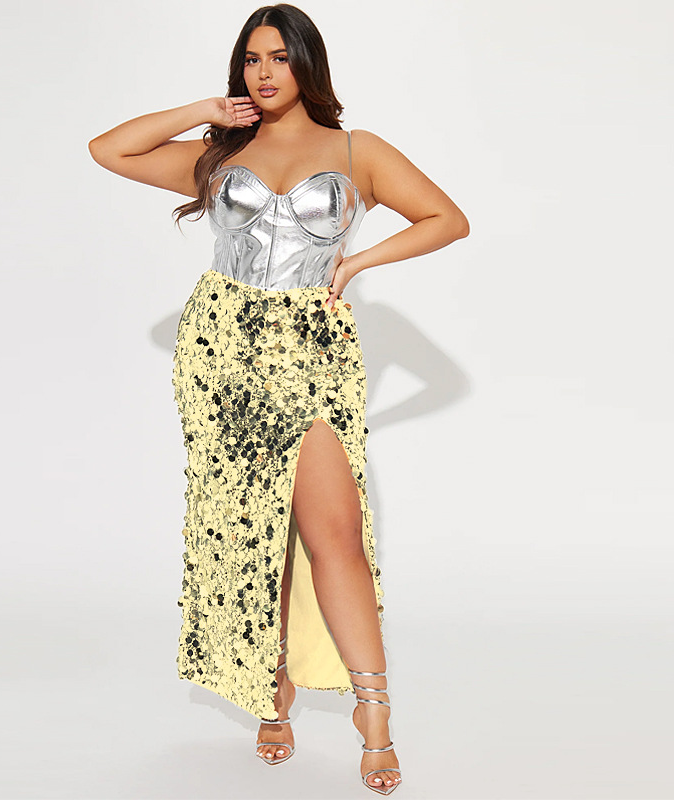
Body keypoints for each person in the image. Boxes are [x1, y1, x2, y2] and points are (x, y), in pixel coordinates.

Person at [88, 3, 469, 794]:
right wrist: (204, 110)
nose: (264, 73)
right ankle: (271, 696)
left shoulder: (357, 150)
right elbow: (108, 149)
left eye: (279, 59)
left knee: (334, 533)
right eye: (252, 59)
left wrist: (356, 265)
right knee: (251, 532)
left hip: (310, 349)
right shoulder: (220, 154)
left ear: (307, 65)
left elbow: (446, 219)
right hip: (220, 350)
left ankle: (374, 712)